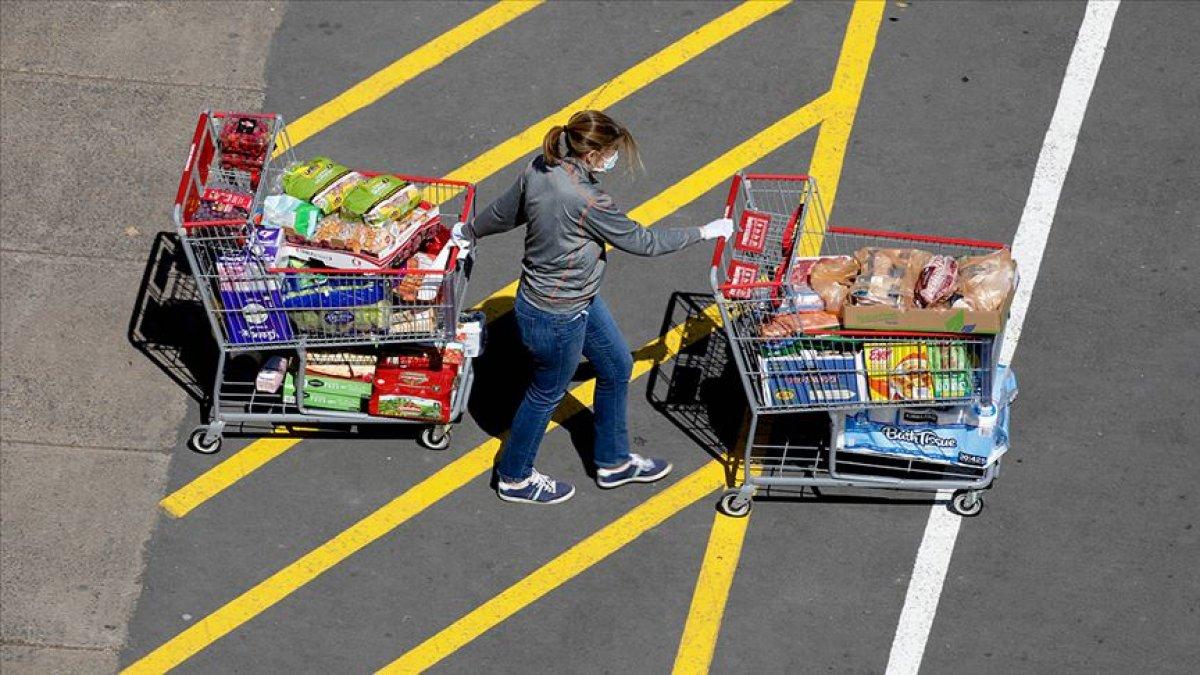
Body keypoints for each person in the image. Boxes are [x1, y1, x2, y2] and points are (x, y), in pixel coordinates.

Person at [456, 110, 733, 505]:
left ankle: (614, 462)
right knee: (546, 392)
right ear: (593, 153)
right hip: (557, 315)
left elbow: (505, 212)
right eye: (612, 152)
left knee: (617, 365)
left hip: (574, 300)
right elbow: (643, 242)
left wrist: (469, 232)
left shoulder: (541, 168)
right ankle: (514, 477)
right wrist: (703, 232)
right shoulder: (587, 200)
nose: (614, 159)